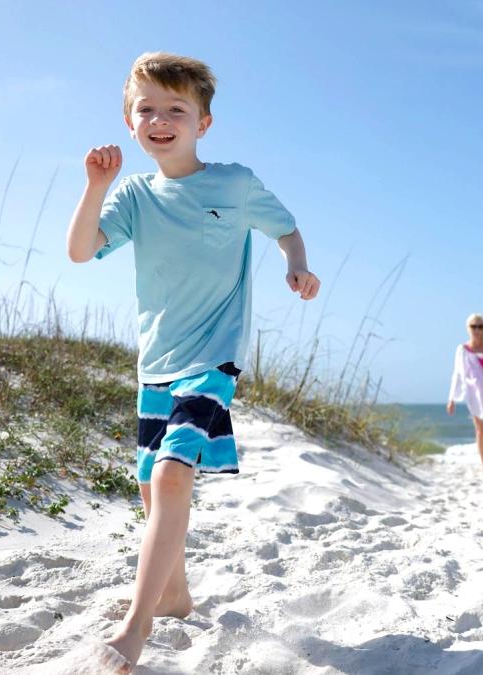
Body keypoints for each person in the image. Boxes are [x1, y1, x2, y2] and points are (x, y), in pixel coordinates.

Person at [65, 52, 320, 672]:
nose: (160, 118)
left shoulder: (233, 184)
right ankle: (174, 594)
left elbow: (285, 227)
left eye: (175, 108)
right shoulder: (132, 195)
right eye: (146, 108)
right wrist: (95, 187)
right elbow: (80, 252)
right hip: (156, 363)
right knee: (154, 491)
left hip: (214, 359)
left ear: (202, 122)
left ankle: (136, 625)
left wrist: (294, 263)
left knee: (175, 476)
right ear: (130, 122)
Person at [447, 314, 483, 470]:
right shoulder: (462, 350)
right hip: (475, 393)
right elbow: (457, 373)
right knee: (481, 429)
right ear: (468, 328)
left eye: (480, 326)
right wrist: (451, 398)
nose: (477, 330)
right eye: (474, 326)